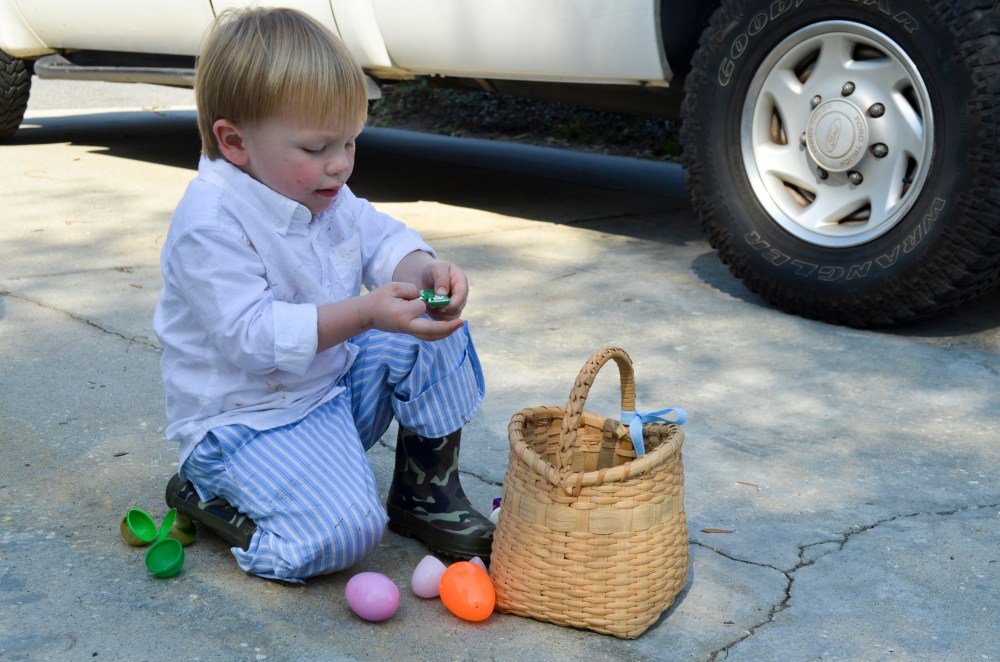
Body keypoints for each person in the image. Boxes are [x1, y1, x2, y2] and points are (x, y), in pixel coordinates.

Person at [153, 6, 492, 584]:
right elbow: (251, 338)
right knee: (347, 533)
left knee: (433, 329)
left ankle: (424, 492)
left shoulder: (324, 189)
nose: (338, 164)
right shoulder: (210, 221)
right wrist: (365, 313)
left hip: (327, 396)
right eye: (315, 148)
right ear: (235, 142)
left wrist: (425, 269)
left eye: (350, 143)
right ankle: (209, 495)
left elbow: (379, 238)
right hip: (247, 425)